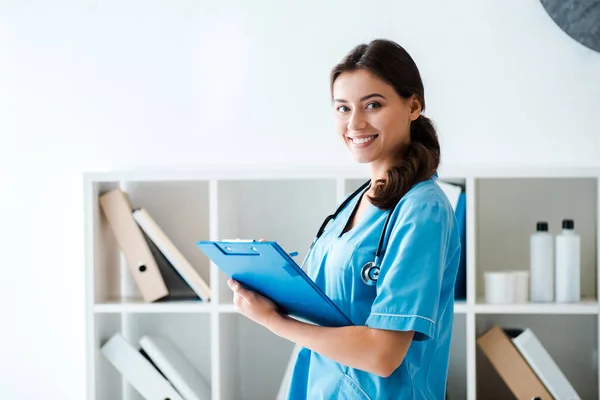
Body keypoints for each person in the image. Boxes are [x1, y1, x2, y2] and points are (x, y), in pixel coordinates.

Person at [227, 38, 461, 400]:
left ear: (413, 105)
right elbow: (334, 310)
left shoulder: (422, 210)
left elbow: (383, 354)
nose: (355, 123)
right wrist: (274, 285)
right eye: (342, 108)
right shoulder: (357, 200)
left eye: (373, 105)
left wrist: (274, 322)